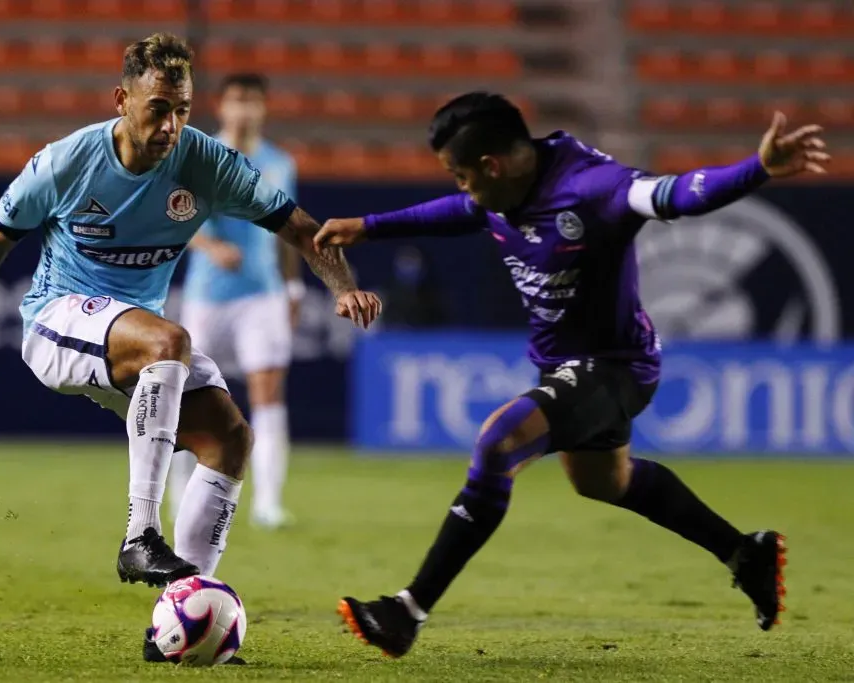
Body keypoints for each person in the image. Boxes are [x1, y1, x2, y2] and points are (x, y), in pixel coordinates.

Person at [314, 92, 828, 657]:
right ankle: (743, 552)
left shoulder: (594, 188)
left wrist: (757, 169)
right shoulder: (501, 188)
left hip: (613, 367)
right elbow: (467, 210)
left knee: (497, 441)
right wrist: (369, 226)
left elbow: (674, 194)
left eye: (461, 175)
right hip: (563, 365)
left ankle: (406, 610)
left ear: (492, 165)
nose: (460, 187)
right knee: (604, 481)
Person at [0, 33, 380, 597]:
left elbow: (301, 228)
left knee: (230, 438)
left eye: (183, 111)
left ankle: (181, 613)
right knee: (170, 341)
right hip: (57, 322)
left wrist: (342, 286)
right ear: (122, 100)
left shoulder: (207, 164)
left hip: (132, 341)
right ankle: (140, 532)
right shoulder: (67, 162)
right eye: (158, 109)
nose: (170, 126)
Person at [170, 73, 301, 530]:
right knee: (189, 396)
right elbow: (177, 216)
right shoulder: (198, 156)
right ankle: (180, 497)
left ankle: (268, 502)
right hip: (208, 295)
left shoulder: (280, 164)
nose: (244, 110)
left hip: (262, 293)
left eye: (252, 101)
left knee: (267, 391)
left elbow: (290, 231)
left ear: (264, 108)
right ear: (222, 107)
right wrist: (211, 247)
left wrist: (294, 287)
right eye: (236, 101)